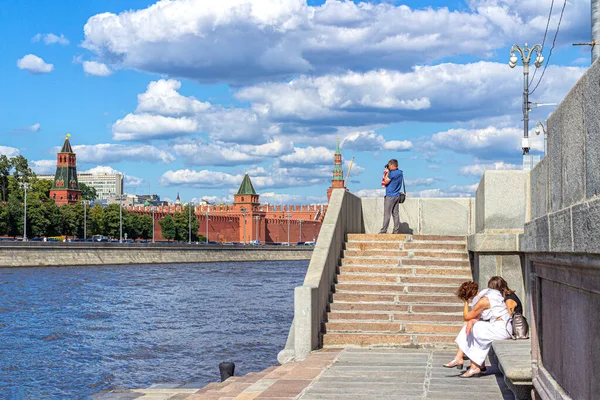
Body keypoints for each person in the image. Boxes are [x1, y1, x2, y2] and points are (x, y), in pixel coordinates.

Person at [445, 276, 513, 378]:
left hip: (501, 329)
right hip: (502, 327)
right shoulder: (489, 296)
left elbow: (466, 316)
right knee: (473, 327)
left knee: (475, 329)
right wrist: (471, 321)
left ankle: (471, 364)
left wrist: (465, 303)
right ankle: (475, 365)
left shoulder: (483, 301)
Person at [379, 159, 403, 234]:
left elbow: (386, 181)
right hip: (397, 195)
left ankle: (383, 230)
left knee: (387, 214)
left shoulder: (392, 173)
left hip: (390, 195)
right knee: (395, 214)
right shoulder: (400, 173)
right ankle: (396, 230)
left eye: (389, 166)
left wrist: (386, 173)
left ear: (392, 165)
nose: (389, 167)